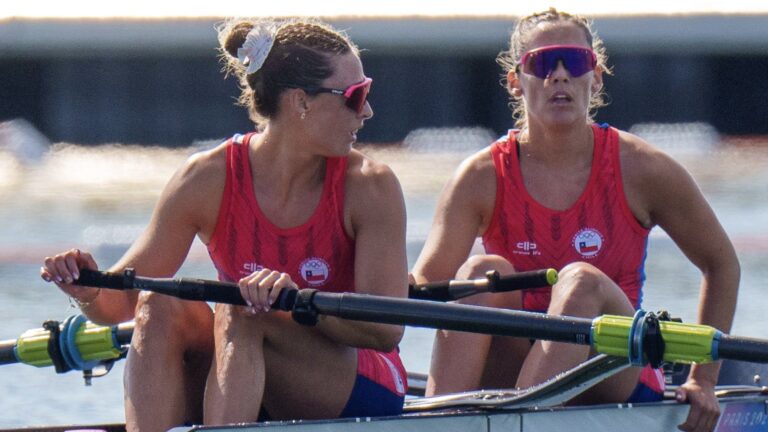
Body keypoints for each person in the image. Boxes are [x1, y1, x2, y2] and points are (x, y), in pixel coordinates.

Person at [40, 18, 408, 431]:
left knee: (244, 309)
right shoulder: (206, 178)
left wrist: (297, 303)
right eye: (356, 97)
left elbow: (385, 329)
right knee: (158, 303)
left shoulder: (371, 186)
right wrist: (88, 291)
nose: (368, 111)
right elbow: (119, 304)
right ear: (300, 101)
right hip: (244, 368)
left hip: (360, 380)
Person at [411, 8, 739, 432]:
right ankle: (436, 423)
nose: (560, 76)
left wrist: (703, 379)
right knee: (480, 272)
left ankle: (513, 423)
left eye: (575, 62)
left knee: (580, 281)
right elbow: (423, 289)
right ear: (515, 81)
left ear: (595, 78)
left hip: (613, 367)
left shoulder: (643, 168)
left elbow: (721, 264)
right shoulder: (480, 176)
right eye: (543, 63)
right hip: (518, 364)